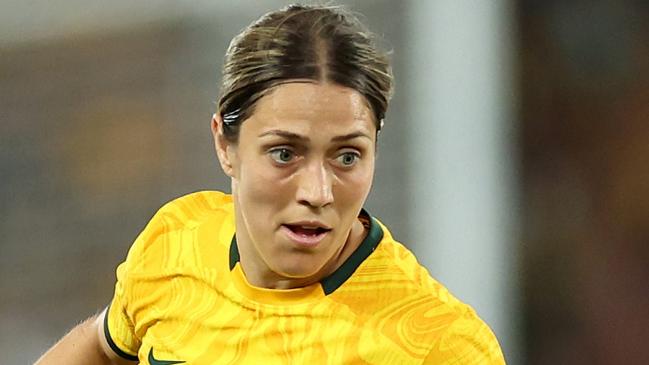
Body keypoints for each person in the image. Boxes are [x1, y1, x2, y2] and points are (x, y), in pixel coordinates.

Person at [36, 4, 505, 364]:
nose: (318, 192)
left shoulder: (439, 343)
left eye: (347, 156)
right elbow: (101, 345)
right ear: (226, 144)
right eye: (285, 153)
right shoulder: (177, 242)